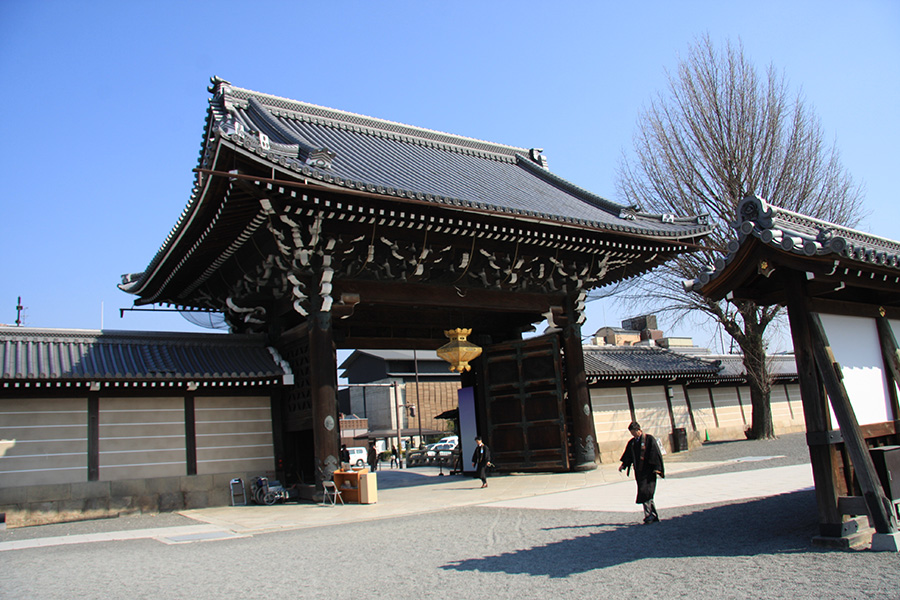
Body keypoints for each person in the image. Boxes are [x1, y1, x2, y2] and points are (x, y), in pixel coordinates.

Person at [619, 421, 665, 524]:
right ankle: (653, 515)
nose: (633, 435)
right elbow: (628, 456)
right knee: (646, 494)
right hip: (639, 473)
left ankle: (649, 515)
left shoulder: (649, 439)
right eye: (631, 433)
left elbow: (655, 453)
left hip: (648, 472)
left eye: (634, 432)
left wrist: (657, 468)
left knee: (646, 493)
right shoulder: (632, 442)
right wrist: (623, 465)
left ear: (639, 430)